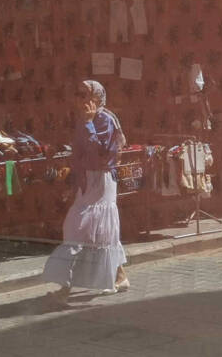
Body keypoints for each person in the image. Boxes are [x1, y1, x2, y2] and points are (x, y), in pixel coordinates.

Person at [42, 80, 129, 303]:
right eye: (78, 94)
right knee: (77, 229)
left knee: (97, 231)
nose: (80, 99)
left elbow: (101, 154)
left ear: (97, 98)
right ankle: (114, 277)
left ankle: (112, 279)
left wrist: (90, 123)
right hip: (86, 182)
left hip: (101, 181)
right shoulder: (83, 120)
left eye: (85, 94)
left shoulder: (105, 120)